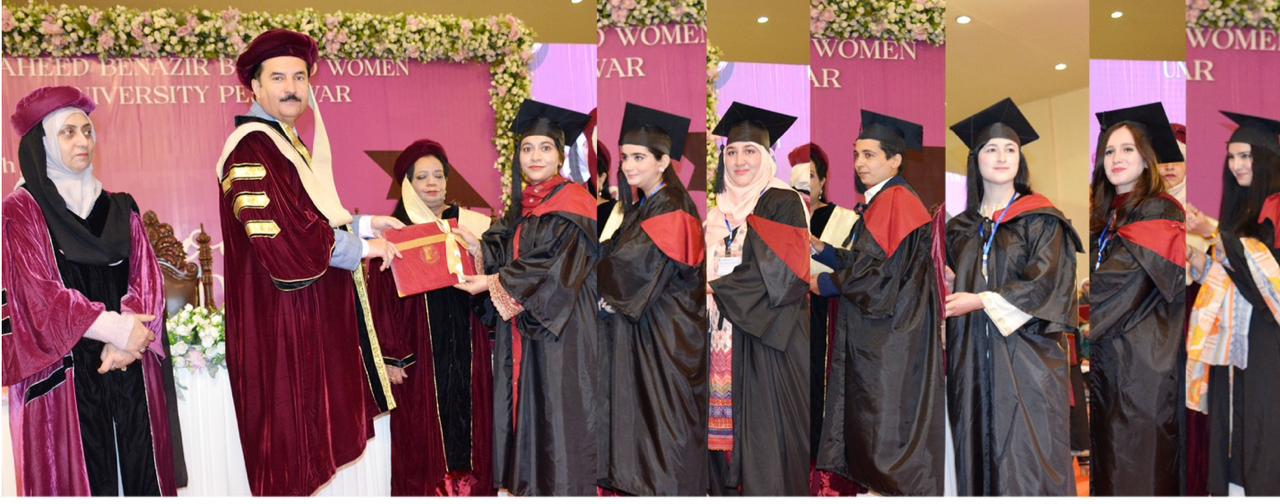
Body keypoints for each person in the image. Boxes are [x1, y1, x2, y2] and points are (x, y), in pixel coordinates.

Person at [215, 28, 404, 496]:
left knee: (304, 451)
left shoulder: (288, 143)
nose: (291, 87)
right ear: (254, 87)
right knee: (288, 453)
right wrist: (361, 250)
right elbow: (286, 238)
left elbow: (312, 215)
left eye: (299, 77)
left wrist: (366, 226)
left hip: (303, 318)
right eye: (277, 77)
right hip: (279, 322)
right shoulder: (251, 146)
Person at [2, 86, 175, 496]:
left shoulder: (120, 206)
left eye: (87, 130)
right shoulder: (21, 211)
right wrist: (114, 330)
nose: (83, 141)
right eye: (68, 133)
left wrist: (128, 340)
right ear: (41, 143)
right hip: (61, 374)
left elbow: (147, 277)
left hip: (128, 364)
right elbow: (36, 293)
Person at [452, 99, 599, 496]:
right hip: (524, 334)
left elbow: (552, 266)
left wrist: (493, 282)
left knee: (556, 417)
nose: (535, 156)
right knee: (526, 414)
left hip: (558, 333)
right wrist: (477, 248)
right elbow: (509, 253)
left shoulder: (574, 204)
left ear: (561, 155)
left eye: (545, 148)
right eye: (528, 148)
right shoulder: (524, 205)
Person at [944, 98, 1082, 495]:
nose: (1001, 156)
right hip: (971, 358)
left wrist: (982, 299)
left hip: (1028, 360)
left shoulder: (1041, 218)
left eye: (1010, 149)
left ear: (1020, 159)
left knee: (1027, 456)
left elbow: (1048, 282)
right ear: (976, 158)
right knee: (976, 446)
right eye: (991, 148)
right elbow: (955, 281)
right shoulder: (960, 227)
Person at [813, 110, 944, 496]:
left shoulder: (896, 201)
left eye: (869, 155)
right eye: (856, 154)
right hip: (890, 332)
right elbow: (873, 262)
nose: (859, 164)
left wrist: (824, 282)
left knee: (884, 428)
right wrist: (826, 252)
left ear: (894, 159)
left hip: (889, 339)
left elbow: (877, 278)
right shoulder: (888, 200)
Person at [364, 139, 495, 496]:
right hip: (419, 354)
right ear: (408, 184)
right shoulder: (394, 234)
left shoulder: (471, 227)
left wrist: (481, 252)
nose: (432, 183)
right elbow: (379, 301)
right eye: (422, 177)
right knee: (423, 442)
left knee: (474, 433)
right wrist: (392, 357)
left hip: (468, 345)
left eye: (439, 175)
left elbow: (494, 280)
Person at [596, 103, 707, 495]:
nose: (627, 165)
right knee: (647, 438)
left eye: (639, 157)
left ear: (663, 161)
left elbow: (626, 267)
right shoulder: (644, 206)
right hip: (646, 337)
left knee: (665, 437)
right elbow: (609, 252)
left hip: (667, 344)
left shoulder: (673, 210)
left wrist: (571, 273)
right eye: (625, 156)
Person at [1087, 102, 1187, 496]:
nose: (1116, 158)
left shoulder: (1157, 212)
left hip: (1143, 369)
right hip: (1113, 364)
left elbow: (1116, 288)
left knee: (1138, 471)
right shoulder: (1110, 215)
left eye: (1128, 149)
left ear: (1148, 160)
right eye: (1109, 150)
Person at [1185, 111, 1280, 496]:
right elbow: (1236, 275)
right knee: (1237, 421)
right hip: (1238, 337)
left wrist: (1213, 232)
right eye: (1232, 156)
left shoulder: (1276, 205)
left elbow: (1268, 274)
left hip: (1269, 337)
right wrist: (1201, 260)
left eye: (1247, 156)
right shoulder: (1241, 208)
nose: (1238, 165)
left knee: (1264, 421)